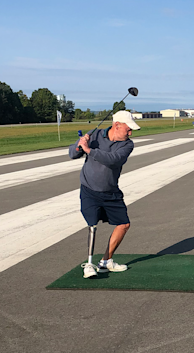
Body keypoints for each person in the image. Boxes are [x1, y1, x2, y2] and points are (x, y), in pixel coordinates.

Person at [68, 110, 141, 278]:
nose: (130, 133)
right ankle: (89, 265)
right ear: (117, 125)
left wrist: (90, 150)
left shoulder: (127, 144)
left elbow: (113, 159)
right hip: (89, 189)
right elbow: (73, 154)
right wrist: (81, 145)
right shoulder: (95, 135)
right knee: (92, 225)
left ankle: (106, 261)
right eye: (128, 129)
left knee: (124, 224)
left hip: (111, 191)